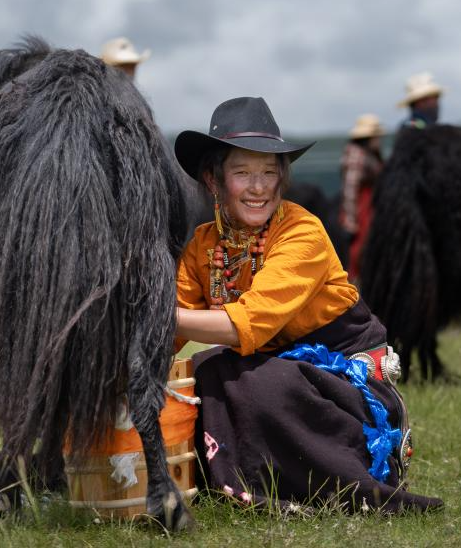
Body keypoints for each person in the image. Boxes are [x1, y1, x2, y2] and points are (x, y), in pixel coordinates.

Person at [172, 96, 441, 512]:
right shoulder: (204, 245)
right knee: (201, 373)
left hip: (343, 386)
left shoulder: (302, 232)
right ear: (214, 180)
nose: (259, 187)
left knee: (246, 376)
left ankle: (346, 480)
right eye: (242, 173)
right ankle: (242, 479)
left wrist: (159, 317)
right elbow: (166, 336)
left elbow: (249, 324)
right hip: (269, 378)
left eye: (268, 173)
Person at [339, 113, 385, 281]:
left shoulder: (366, 154)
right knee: (359, 249)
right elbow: (350, 189)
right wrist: (351, 220)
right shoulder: (357, 156)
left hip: (368, 206)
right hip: (361, 209)